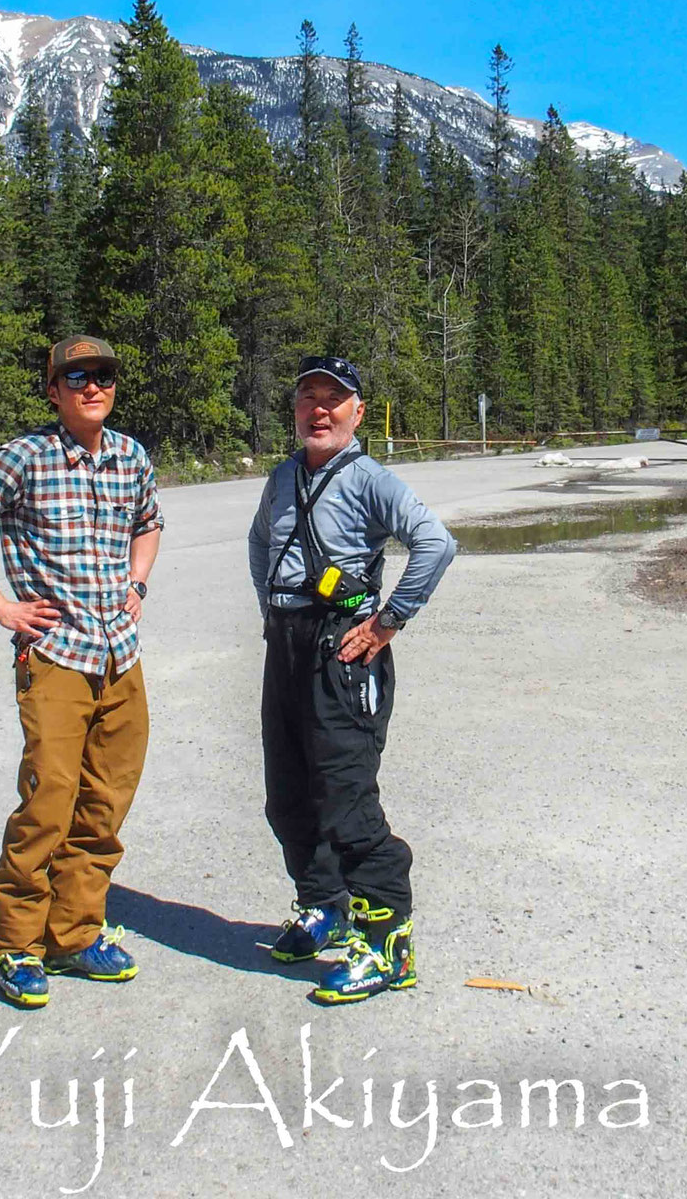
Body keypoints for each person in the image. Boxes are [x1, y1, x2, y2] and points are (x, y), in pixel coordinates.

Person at [0, 334, 163, 1009]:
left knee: (105, 802)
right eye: (77, 377)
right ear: (54, 389)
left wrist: (138, 583)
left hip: (121, 654)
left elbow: (149, 522)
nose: (93, 387)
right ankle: (11, 945)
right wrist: (2, 606)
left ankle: (74, 933)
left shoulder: (129, 456)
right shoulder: (23, 458)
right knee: (47, 803)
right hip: (57, 657)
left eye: (103, 377)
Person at [247, 354, 456, 1004]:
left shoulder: (371, 479)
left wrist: (389, 620)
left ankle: (389, 943)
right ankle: (325, 904)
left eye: (333, 399)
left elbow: (436, 543)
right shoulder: (282, 477)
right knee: (288, 792)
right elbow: (260, 546)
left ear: (357, 412)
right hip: (285, 645)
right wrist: (273, 615)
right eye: (307, 397)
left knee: (345, 797)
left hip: (342, 653)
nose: (319, 409)